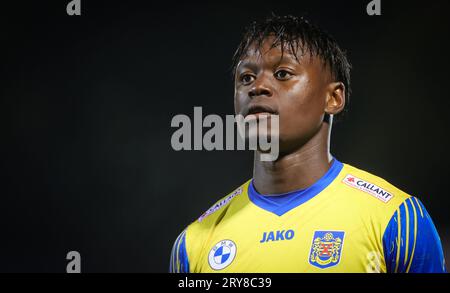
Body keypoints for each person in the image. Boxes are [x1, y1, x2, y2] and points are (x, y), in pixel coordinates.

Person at [170, 15, 446, 273]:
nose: (257, 87)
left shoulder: (395, 220)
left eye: (282, 74)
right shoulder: (194, 245)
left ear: (333, 98)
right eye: (246, 78)